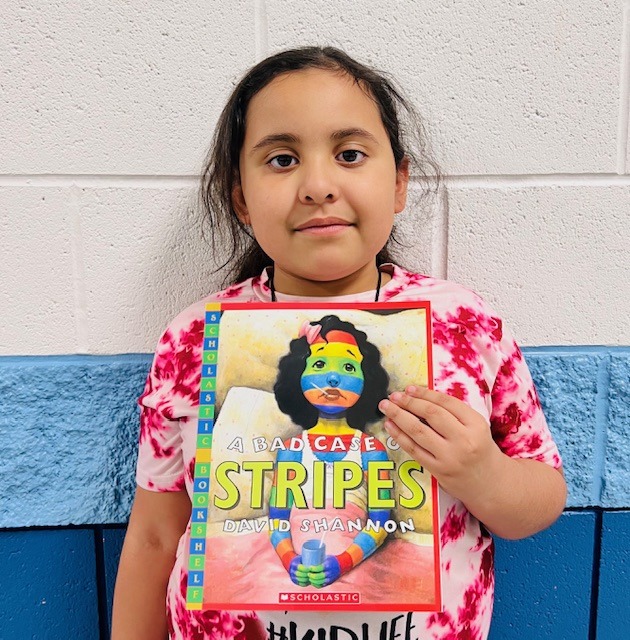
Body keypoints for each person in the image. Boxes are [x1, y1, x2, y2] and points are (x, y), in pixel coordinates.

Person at [111, 46, 567, 640]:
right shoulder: (194, 339)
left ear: (399, 182)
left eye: (350, 154)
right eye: (281, 159)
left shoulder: (464, 325)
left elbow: (543, 496)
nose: (318, 185)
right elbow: (156, 532)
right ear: (242, 198)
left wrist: (483, 474)